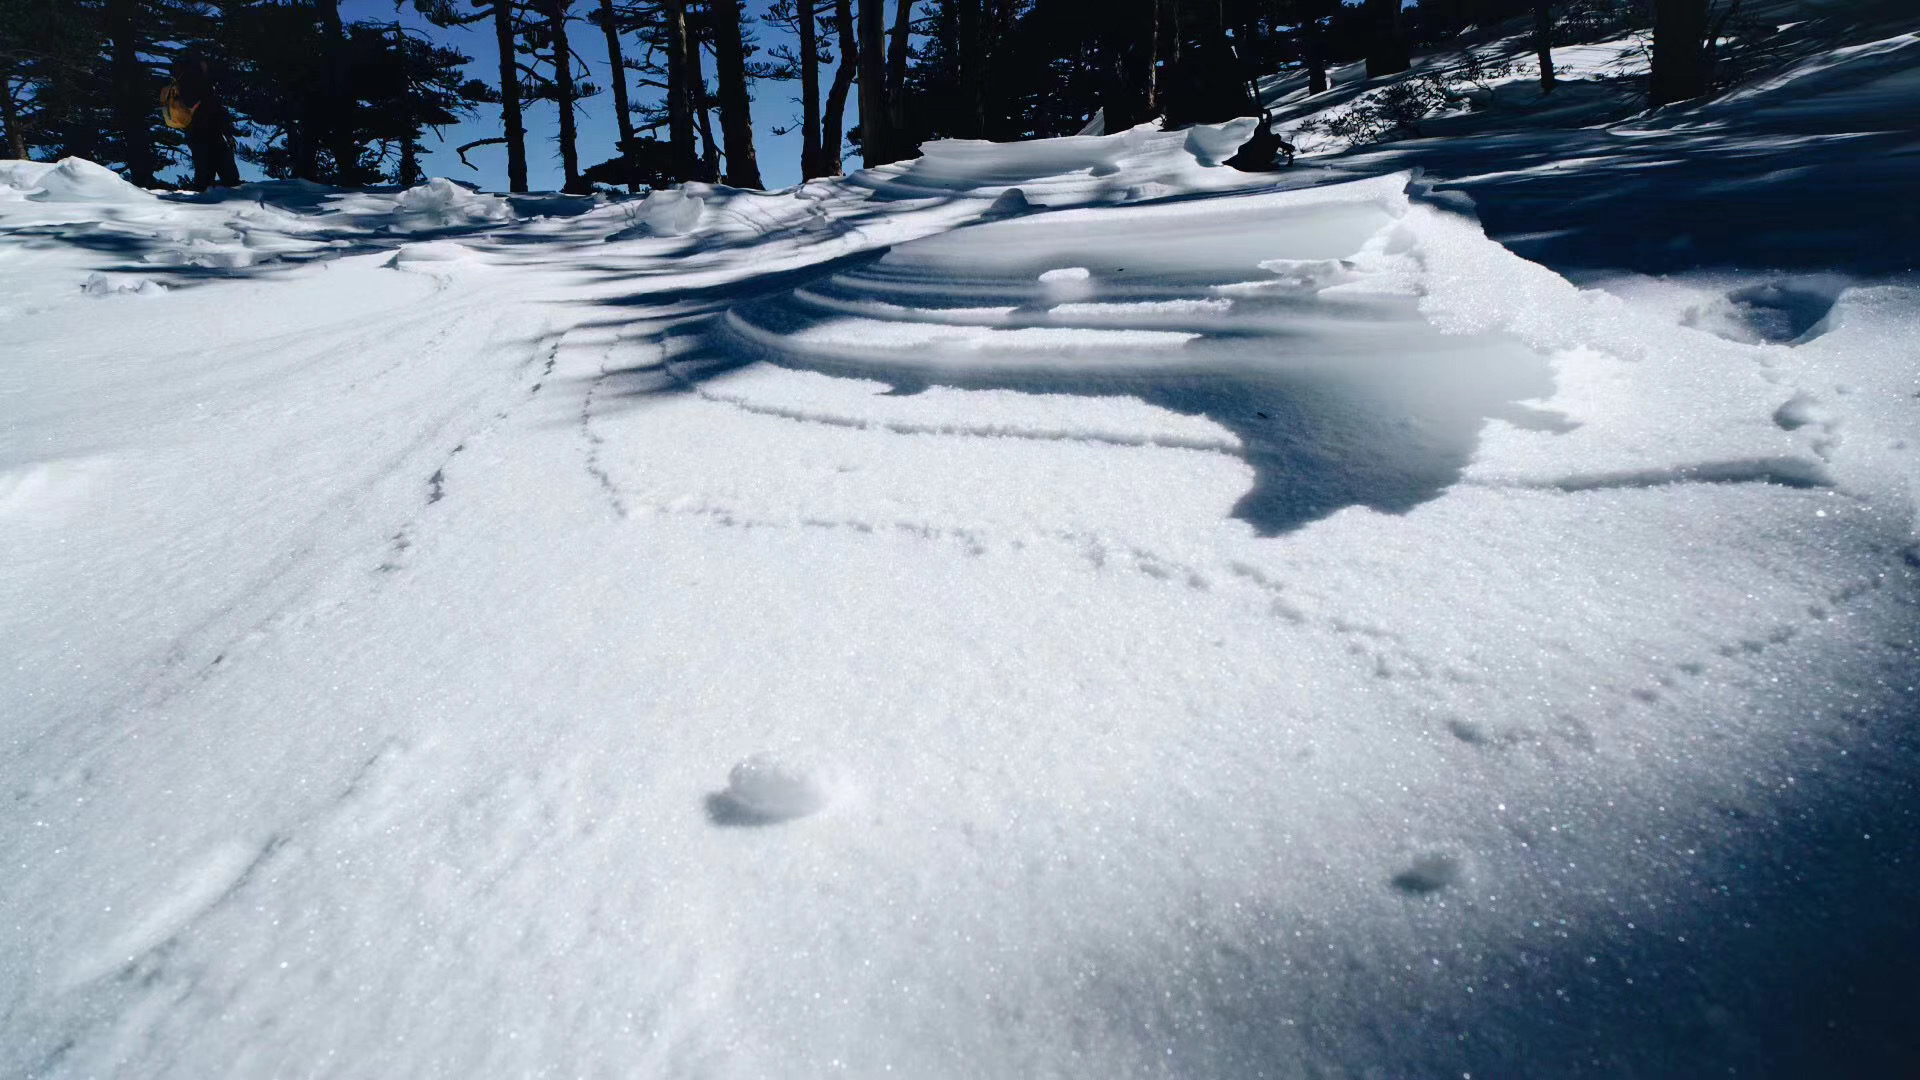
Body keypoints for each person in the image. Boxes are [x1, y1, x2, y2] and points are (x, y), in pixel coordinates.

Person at [163, 55, 240, 191]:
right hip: (210, 132)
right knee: (227, 176)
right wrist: (228, 133)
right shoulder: (201, 86)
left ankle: (203, 200)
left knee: (204, 175)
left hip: (193, 132)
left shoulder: (181, 85)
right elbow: (217, 111)